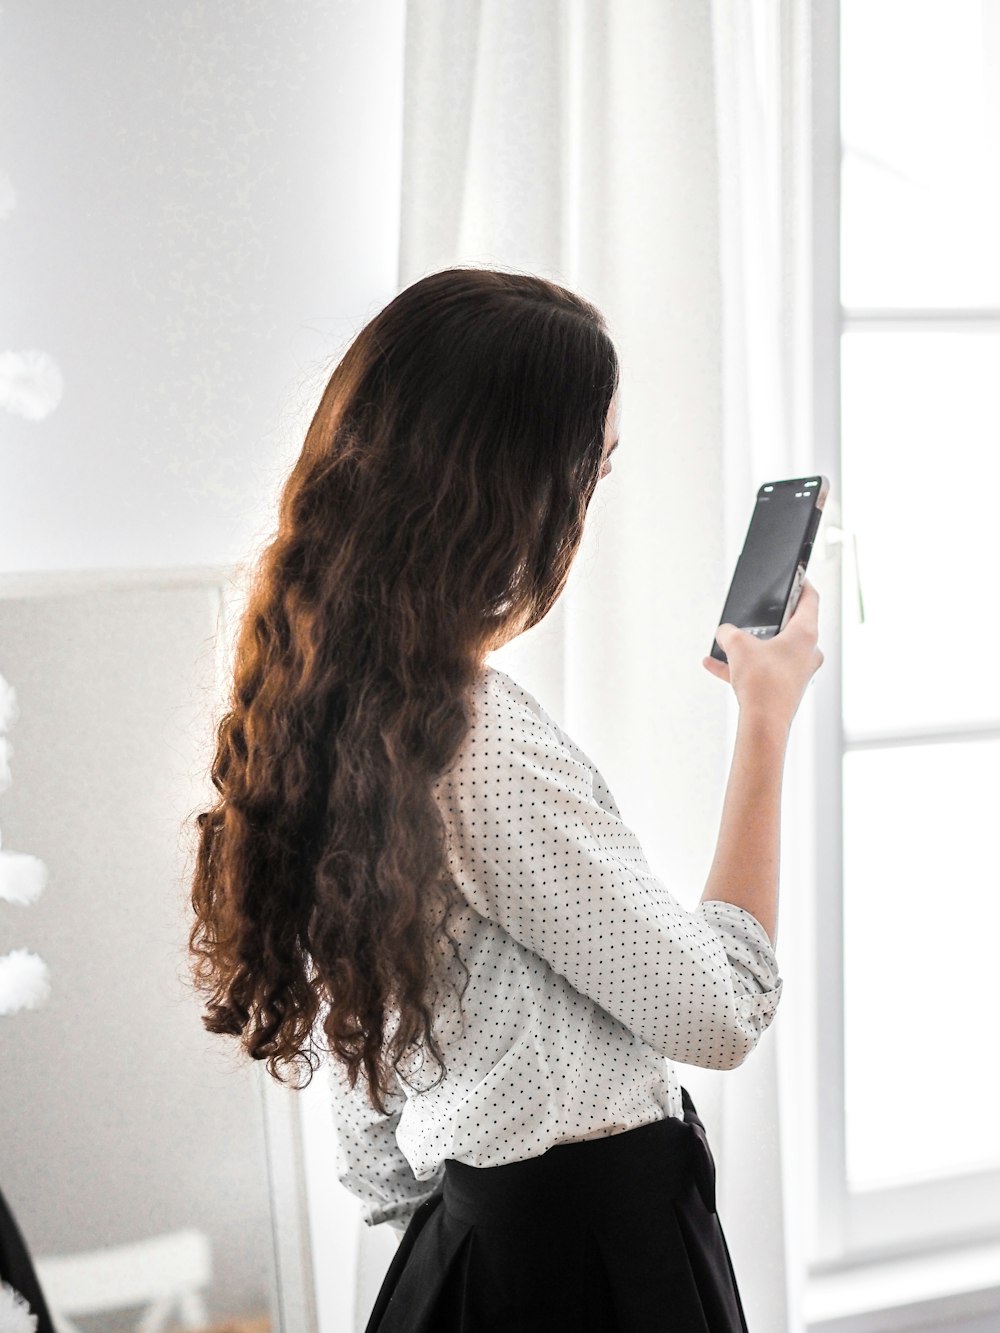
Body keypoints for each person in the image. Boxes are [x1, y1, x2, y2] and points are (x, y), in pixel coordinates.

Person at [187, 266, 823, 1332]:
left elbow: (373, 1136)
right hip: (592, 1265)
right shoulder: (471, 735)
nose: (585, 509)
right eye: (591, 473)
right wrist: (766, 723)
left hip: (469, 1254)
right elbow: (720, 1011)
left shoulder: (325, 693)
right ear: (509, 488)